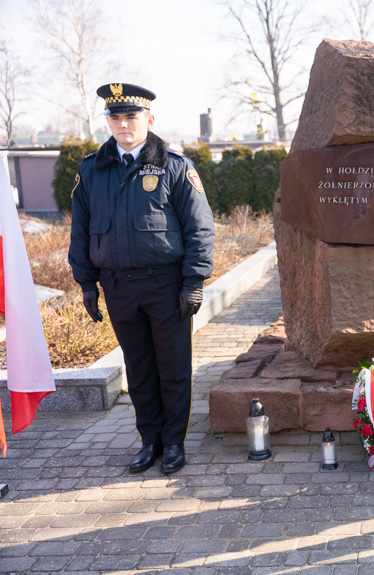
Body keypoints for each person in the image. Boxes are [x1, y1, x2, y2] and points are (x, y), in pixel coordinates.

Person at [69, 83, 215, 474]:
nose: (122, 124)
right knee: (139, 368)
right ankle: (149, 440)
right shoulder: (92, 169)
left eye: (131, 116)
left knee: (172, 366)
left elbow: (199, 229)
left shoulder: (174, 166)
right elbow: (80, 230)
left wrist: (194, 281)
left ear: (149, 120)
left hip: (165, 284)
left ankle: (173, 443)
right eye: (115, 117)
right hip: (117, 285)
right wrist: (86, 283)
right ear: (108, 122)